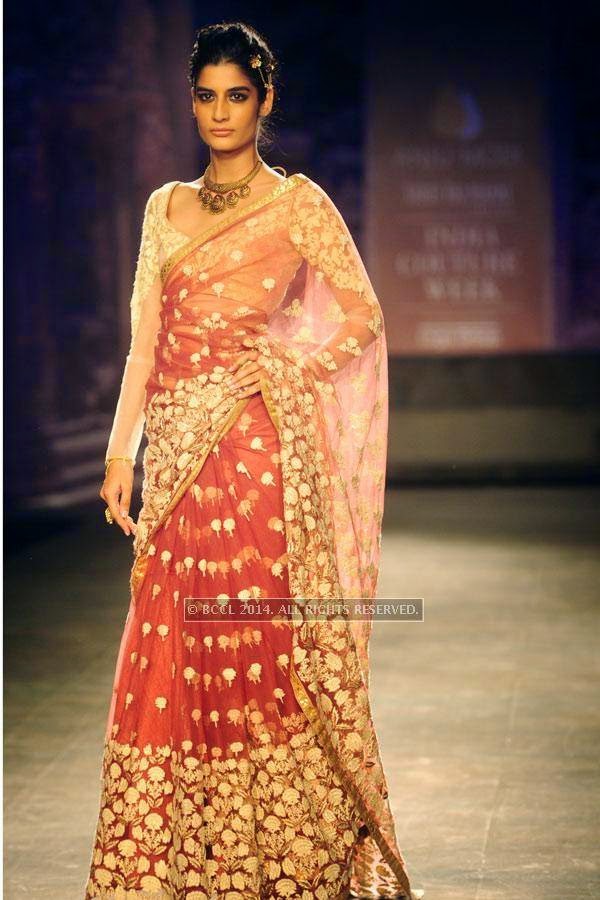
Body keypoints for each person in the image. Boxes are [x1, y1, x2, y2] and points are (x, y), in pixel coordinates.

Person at [85, 20, 422, 900]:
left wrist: (287, 367)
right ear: (191, 102)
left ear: (264, 102)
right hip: (180, 460)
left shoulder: (299, 203)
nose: (221, 113)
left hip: (257, 461)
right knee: (167, 649)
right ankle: (171, 863)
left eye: (238, 95)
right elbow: (141, 348)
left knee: (259, 650)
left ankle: (278, 856)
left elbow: (363, 317)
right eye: (206, 96)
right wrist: (123, 451)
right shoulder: (165, 208)